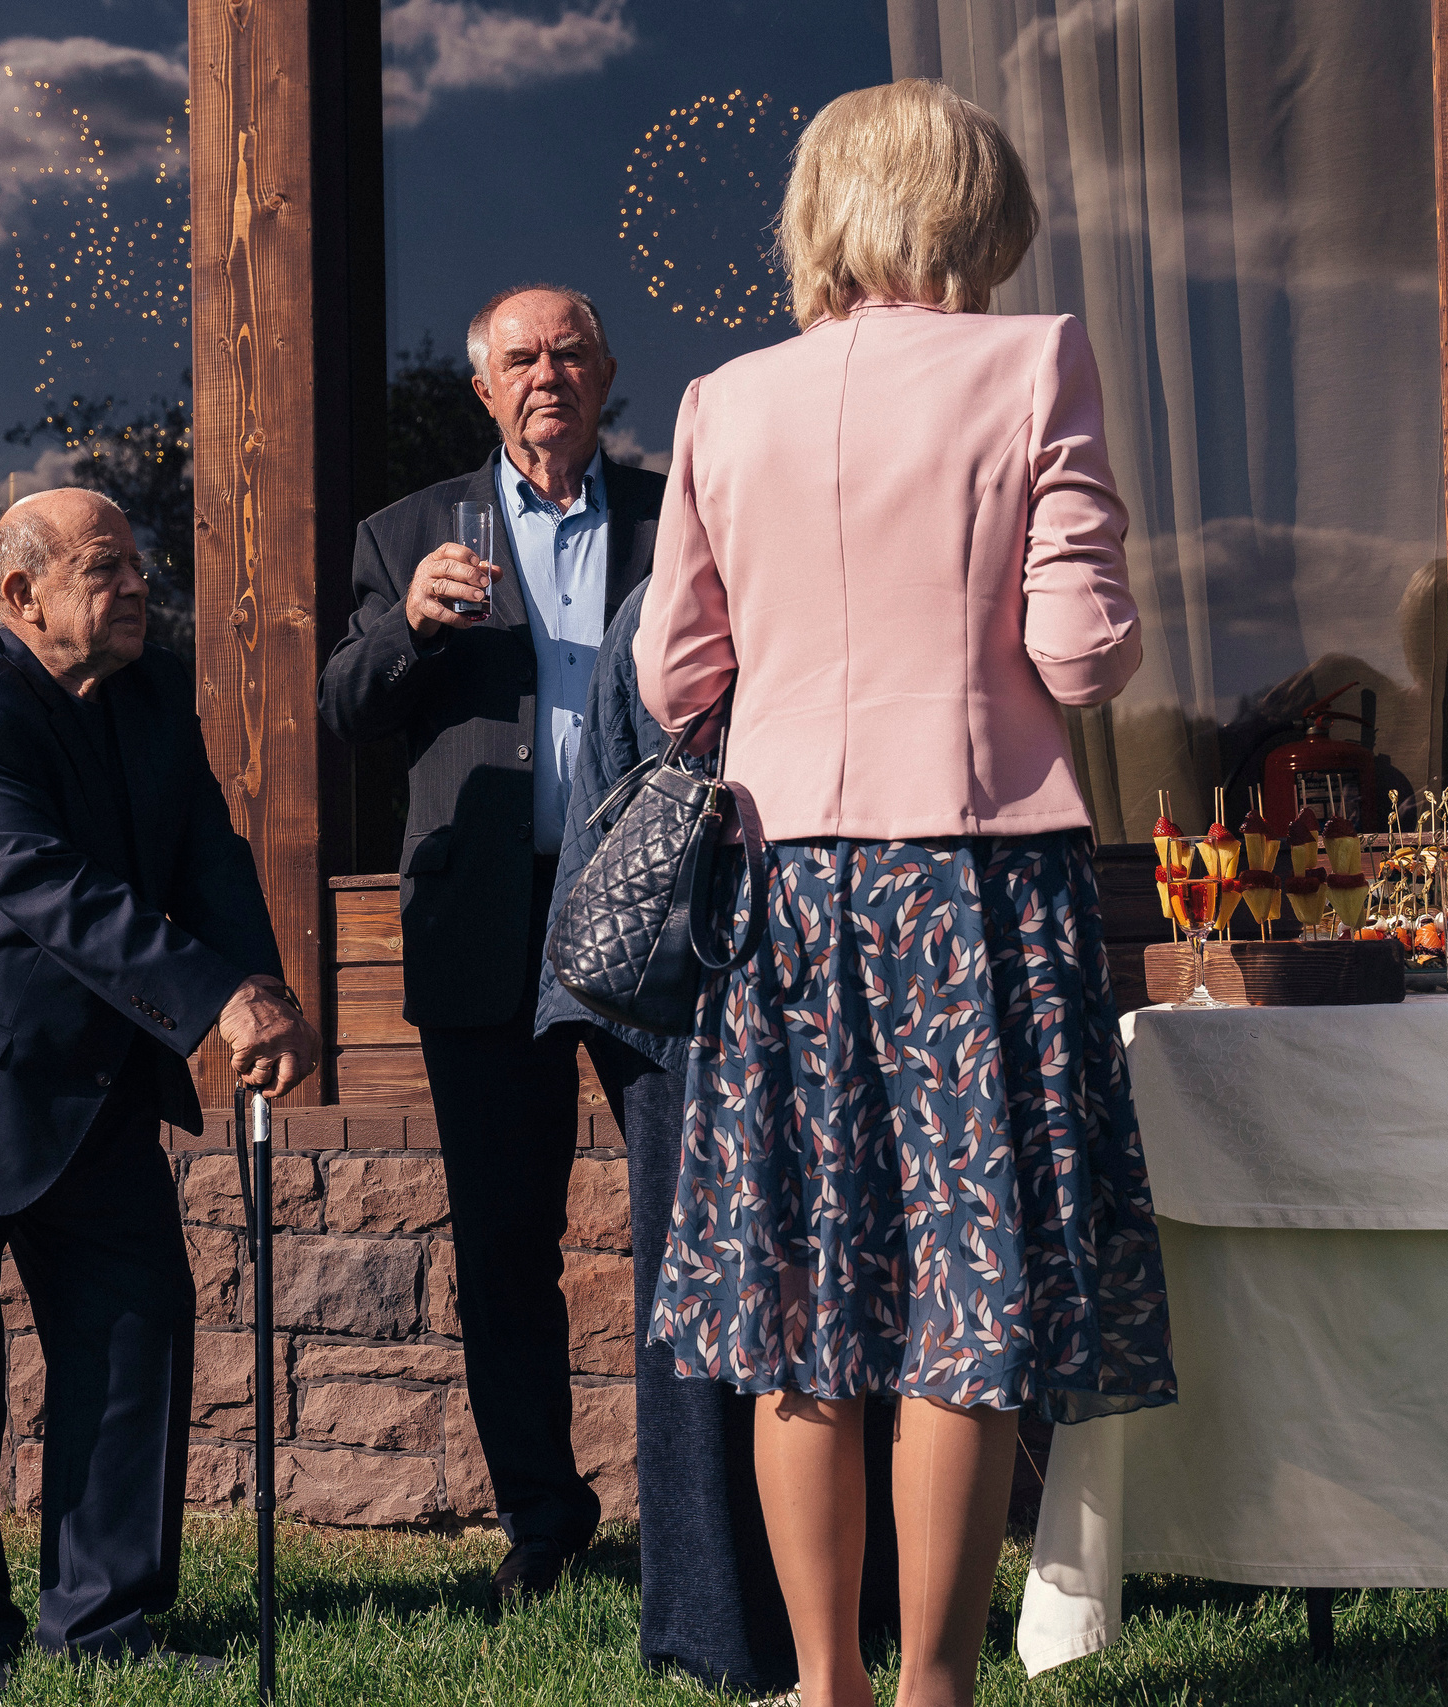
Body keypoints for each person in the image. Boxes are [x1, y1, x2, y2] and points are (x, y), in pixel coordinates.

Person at [632, 81, 1177, 1707]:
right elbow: (1084, 647)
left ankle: (825, 1684)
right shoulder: (1036, 361)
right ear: (974, 208)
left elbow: (676, 673)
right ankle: (934, 1679)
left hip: (788, 889)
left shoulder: (724, 398)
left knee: (803, 1282)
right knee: (966, 1276)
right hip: (975, 887)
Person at [0, 488, 321, 1700]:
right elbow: (46, 888)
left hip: (86, 1080)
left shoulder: (149, 693)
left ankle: (106, 1619)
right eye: (106, 568)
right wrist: (211, 1002)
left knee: (136, 1325)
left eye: (138, 564)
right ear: (18, 595)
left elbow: (206, 846)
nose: (139, 584)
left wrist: (258, 980)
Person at [319, 285, 665, 1605]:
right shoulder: (408, 532)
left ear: (604, 372)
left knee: (687, 1213)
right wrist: (408, 623)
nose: (547, 373)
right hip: (483, 923)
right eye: (520, 357)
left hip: (647, 912)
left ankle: (703, 1496)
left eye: (569, 352)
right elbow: (344, 707)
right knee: (504, 1242)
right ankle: (543, 1511)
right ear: (483, 389)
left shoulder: (670, 514)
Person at [534, 579, 901, 1695]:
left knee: (792, 1307)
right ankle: (723, 1625)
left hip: (723, 995)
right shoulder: (694, 595)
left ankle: (794, 1622)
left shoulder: (709, 582)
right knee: (743, 1315)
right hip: (703, 996)